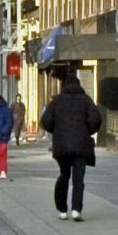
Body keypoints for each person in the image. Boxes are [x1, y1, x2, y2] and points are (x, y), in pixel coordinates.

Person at [41, 67, 102, 221]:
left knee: (64, 174)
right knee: (78, 178)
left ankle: (62, 209)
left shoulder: (57, 101)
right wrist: (87, 130)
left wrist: (56, 130)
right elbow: (96, 119)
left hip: (62, 145)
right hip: (81, 145)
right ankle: (76, 209)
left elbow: (46, 121)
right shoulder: (86, 100)